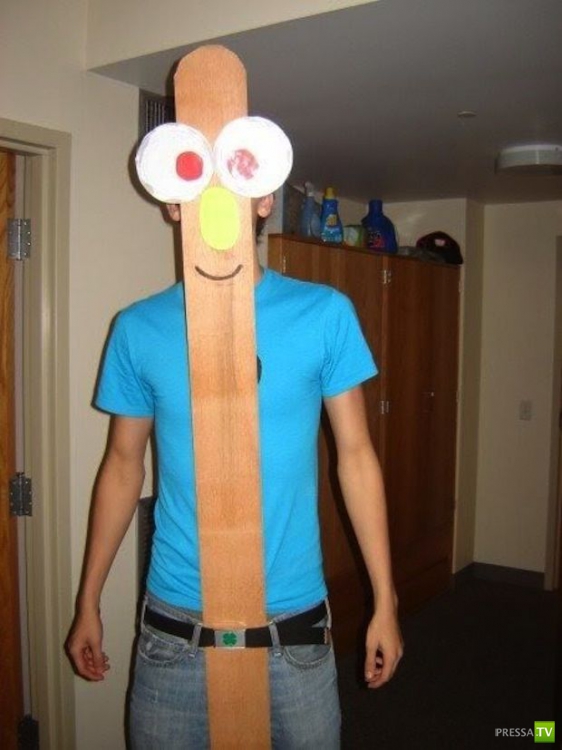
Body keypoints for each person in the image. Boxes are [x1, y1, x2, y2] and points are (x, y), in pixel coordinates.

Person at [66, 194, 404, 749]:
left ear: (264, 197)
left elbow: (357, 458)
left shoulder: (324, 314)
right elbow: (123, 466)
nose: (213, 196)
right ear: (173, 204)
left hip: (293, 629)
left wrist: (384, 600)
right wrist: (88, 601)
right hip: (174, 633)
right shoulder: (137, 328)